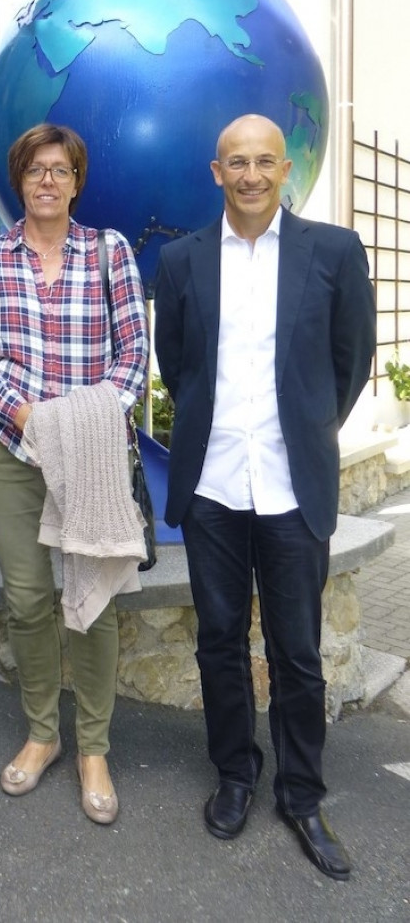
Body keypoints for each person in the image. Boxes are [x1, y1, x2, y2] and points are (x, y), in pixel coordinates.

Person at [154, 113, 375, 881]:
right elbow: (176, 363)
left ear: (285, 170)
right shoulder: (180, 262)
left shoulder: (335, 253)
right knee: (217, 640)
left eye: (263, 162)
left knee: (297, 654)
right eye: (235, 163)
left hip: (289, 484)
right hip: (213, 482)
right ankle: (236, 773)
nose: (250, 175)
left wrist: (307, 428)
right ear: (215, 172)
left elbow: (349, 362)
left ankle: (301, 794)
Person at [0, 123, 149, 824]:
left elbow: (133, 357)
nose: (46, 181)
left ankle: (92, 746)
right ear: (18, 179)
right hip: (9, 451)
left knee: (91, 596)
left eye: (59, 170)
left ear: (76, 181)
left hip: (92, 453)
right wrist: (30, 418)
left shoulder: (109, 253)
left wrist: (79, 422)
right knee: (29, 598)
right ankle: (42, 734)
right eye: (34, 169)